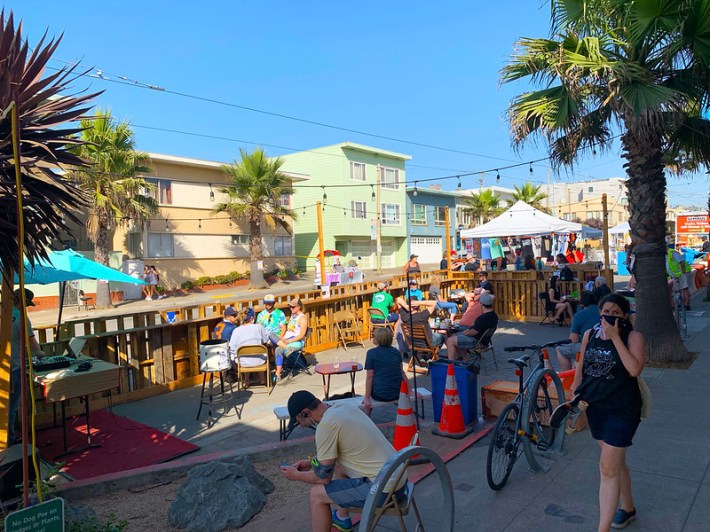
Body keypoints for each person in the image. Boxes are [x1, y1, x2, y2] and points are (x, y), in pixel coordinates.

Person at [281, 390, 406, 532]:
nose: (302, 426)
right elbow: (334, 455)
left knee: (316, 495)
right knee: (340, 465)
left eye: (299, 422)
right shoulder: (344, 408)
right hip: (399, 479)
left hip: (384, 491)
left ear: (306, 413)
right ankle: (342, 518)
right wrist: (311, 462)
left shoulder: (326, 426)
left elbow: (322, 478)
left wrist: (296, 475)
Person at [571, 293, 645, 531]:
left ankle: (602, 528)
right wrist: (575, 389)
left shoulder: (633, 336)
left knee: (607, 468)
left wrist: (615, 338)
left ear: (625, 316)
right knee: (614, 461)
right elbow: (582, 365)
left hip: (622, 409)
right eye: (606, 312)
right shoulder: (589, 334)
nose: (609, 317)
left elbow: (634, 369)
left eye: (616, 313)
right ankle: (629, 507)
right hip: (596, 407)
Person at [10, 289, 45, 444]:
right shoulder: (22, 318)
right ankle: (9, 441)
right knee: (11, 407)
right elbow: (32, 343)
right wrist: (41, 354)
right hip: (14, 368)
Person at [362, 327, 406, 415]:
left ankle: (367, 417)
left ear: (378, 339)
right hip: (397, 393)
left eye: (374, 336)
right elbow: (402, 372)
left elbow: (369, 377)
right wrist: (411, 391)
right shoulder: (396, 352)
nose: (372, 338)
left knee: (373, 380)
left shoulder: (371, 353)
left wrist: (366, 397)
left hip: (380, 395)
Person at [446, 293, 498, 360]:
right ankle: (464, 360)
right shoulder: (494, 316)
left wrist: (465, 333)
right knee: (453, 336)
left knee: (450, 340)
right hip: (484, 340)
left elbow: (473, 332)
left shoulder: (483, 318)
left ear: (481, 304)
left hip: (477, 341)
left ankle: (451, 365)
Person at [556, 292, 599, 371]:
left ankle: (567, 377)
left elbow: (573, 340)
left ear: (582, 304)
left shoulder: (580, 315)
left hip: (589, 347)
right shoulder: (603, 311)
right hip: (607, 345)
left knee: (560, 349)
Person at [273, 298, 308, 381]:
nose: (291, 309)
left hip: (296, 341)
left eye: (293, 307)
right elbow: (289, 331)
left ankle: (277, 374)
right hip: (286, 340)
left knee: (278, 349)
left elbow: (302, 335)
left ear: (299, 307)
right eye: (290, 307)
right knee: (271, 335)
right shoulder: (293, 316)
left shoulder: (302, 318)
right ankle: (286, 348)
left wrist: (288, 341)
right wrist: (282, 337)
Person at [666, 243, 691, 310]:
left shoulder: (672, 252)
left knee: (684, 288)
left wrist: (683, 273)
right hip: (675, 275)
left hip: (682, 273)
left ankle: (686, 305)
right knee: (677, 290)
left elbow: (681, 262)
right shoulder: (664, 255)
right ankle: (681, 305)